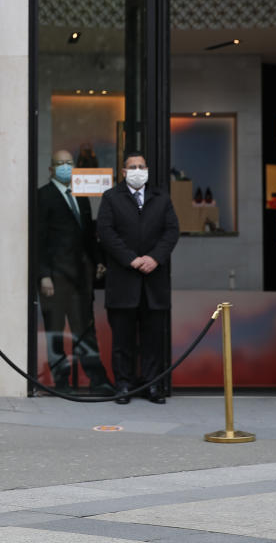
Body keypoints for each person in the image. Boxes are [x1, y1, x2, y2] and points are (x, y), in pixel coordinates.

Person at [96, 152, 179, 404]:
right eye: (132, 167)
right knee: (122, 339)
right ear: (123, 172)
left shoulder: (161, 198)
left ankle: (152, 386)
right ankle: (124, 385)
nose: (137, 170)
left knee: (153, 338)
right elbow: (106, 232)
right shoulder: (111, 198)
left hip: (154, 282)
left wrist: (155, 258)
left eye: (141, 166)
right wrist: (131, 259)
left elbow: (171, 231)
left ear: (148, 170)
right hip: (123, 282)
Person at [38, 150, 115, 394]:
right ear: (51, 169)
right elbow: (37, 239)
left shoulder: (80, 197)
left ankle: (97, 380)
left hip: (81, 277)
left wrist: (98, 260)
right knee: (56, 331)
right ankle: (60, 383)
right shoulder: (42, 196)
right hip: (55, 277)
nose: (65, 167)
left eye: (68, 163)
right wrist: (43, 275)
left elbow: (88, 236)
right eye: (59, 163)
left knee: (85, 330)